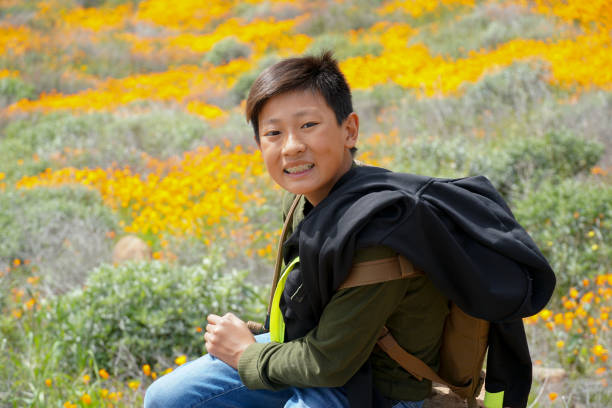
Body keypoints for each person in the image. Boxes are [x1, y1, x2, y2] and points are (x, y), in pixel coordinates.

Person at [144, 52, 555, 408]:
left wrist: (246, 354)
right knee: (166, 397)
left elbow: (328, 362)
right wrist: (256, 339)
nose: (291, 146)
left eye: (308, 125)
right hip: (336, 363)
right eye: (273, 133)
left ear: (349, 130)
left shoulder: (378, 227)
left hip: (381, 392)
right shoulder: (311, 199)